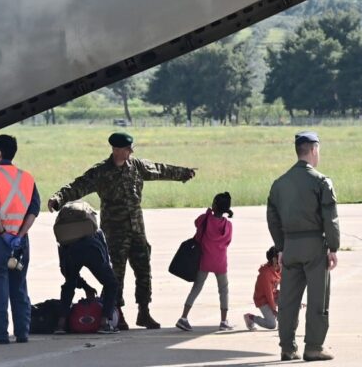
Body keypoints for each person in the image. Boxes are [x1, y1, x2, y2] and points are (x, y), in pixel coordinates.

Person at [48, 132, 196, 330]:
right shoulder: (101, 172)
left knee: (144, 270)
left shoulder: (136, 166)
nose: (131, 151)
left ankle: (144, 312)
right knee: (116, 274)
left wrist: (184, 173)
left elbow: (160, 169)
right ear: (116, 150)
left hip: (137, 230)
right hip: (114, 232)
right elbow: (78, 185)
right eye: (127, 149)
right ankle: (118, 313)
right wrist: (58, 198)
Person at [267, 131, 340, 362]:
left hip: (289, 247)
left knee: (288, 300)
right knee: (318, 298)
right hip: (314, 246)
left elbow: (272, 218)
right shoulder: (320, 182)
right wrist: (334, 247)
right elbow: (331, 217)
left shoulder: (279, 184)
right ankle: (314, 347)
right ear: (314, 149)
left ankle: (287, 348)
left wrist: (281, 247)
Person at [0, 134, 40, 344]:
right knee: (19, 285)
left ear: (0, 153)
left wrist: (3, 233)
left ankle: (0, 333)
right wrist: (19, 235)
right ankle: (22, 333)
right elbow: (34, 209)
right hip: (21, 242)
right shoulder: (27, 177)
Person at [53, 201, 119, 334]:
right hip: (92, 249)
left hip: (71, 252)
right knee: (111, 283)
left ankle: (61, 324)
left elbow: (65, 271)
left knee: (69, 285)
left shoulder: (65, 239)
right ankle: (105, 322)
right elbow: (105, 261)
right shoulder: (97, 233)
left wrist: (84, 286)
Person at [176, 192, 234, 332]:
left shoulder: (205, 219)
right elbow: (228, 241)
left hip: (204, 260)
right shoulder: (228, 225)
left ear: (214, 205)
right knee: (223, 290)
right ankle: (224, 321)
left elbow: (197, 223)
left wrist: (208, 213)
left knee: (196, 288)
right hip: (220, 261)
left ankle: (183, 317)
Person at [244, 246, 281, 331]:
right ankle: (250, 317)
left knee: (286, 299)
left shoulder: (279, 269)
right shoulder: (266, 274)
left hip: (274, 295)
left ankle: (282, 321)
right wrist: (274, 310)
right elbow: (269, 294)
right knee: (271, 324)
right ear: (275, 260)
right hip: (263, 299)